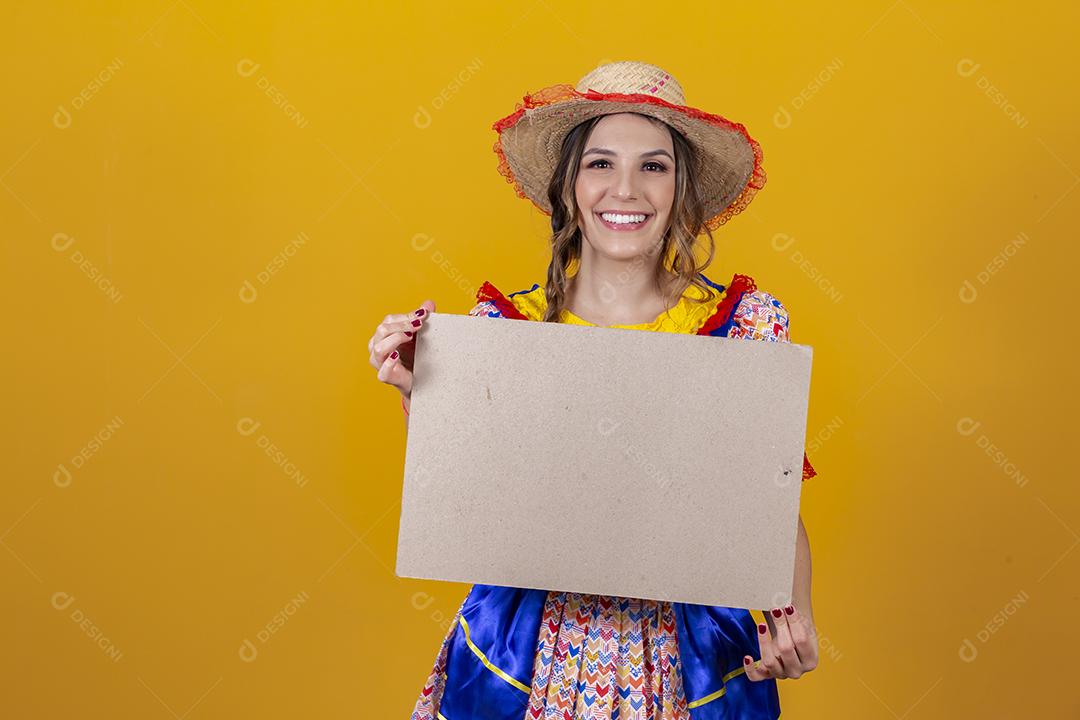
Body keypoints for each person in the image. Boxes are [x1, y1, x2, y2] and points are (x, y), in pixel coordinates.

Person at [368, 61, 819, 720]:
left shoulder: (743, 327)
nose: (626, 189)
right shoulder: (508, 327)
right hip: (526, 648)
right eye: (601, 164)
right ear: (570, 186)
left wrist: (794, 613)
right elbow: (476, 492)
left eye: (654, 166)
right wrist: (421, 392)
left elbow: (767, 503)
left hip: (684, 655)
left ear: (682, 188)